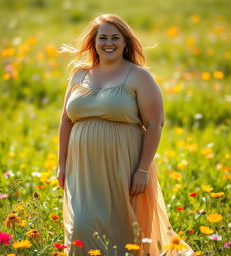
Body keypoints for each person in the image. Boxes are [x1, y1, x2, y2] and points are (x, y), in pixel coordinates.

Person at [57, 13, 195, 256]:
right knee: (82, 226)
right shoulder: (79, 74)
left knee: (125, 231)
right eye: (103, 38)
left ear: (125, 42)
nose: (108, 43)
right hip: (82, 168)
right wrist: (61, 163)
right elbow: (66, 120)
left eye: (115, 37)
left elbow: (155, 124)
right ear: (94, 42)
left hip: (124, 164)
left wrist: (142, 170)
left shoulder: (138, 76)